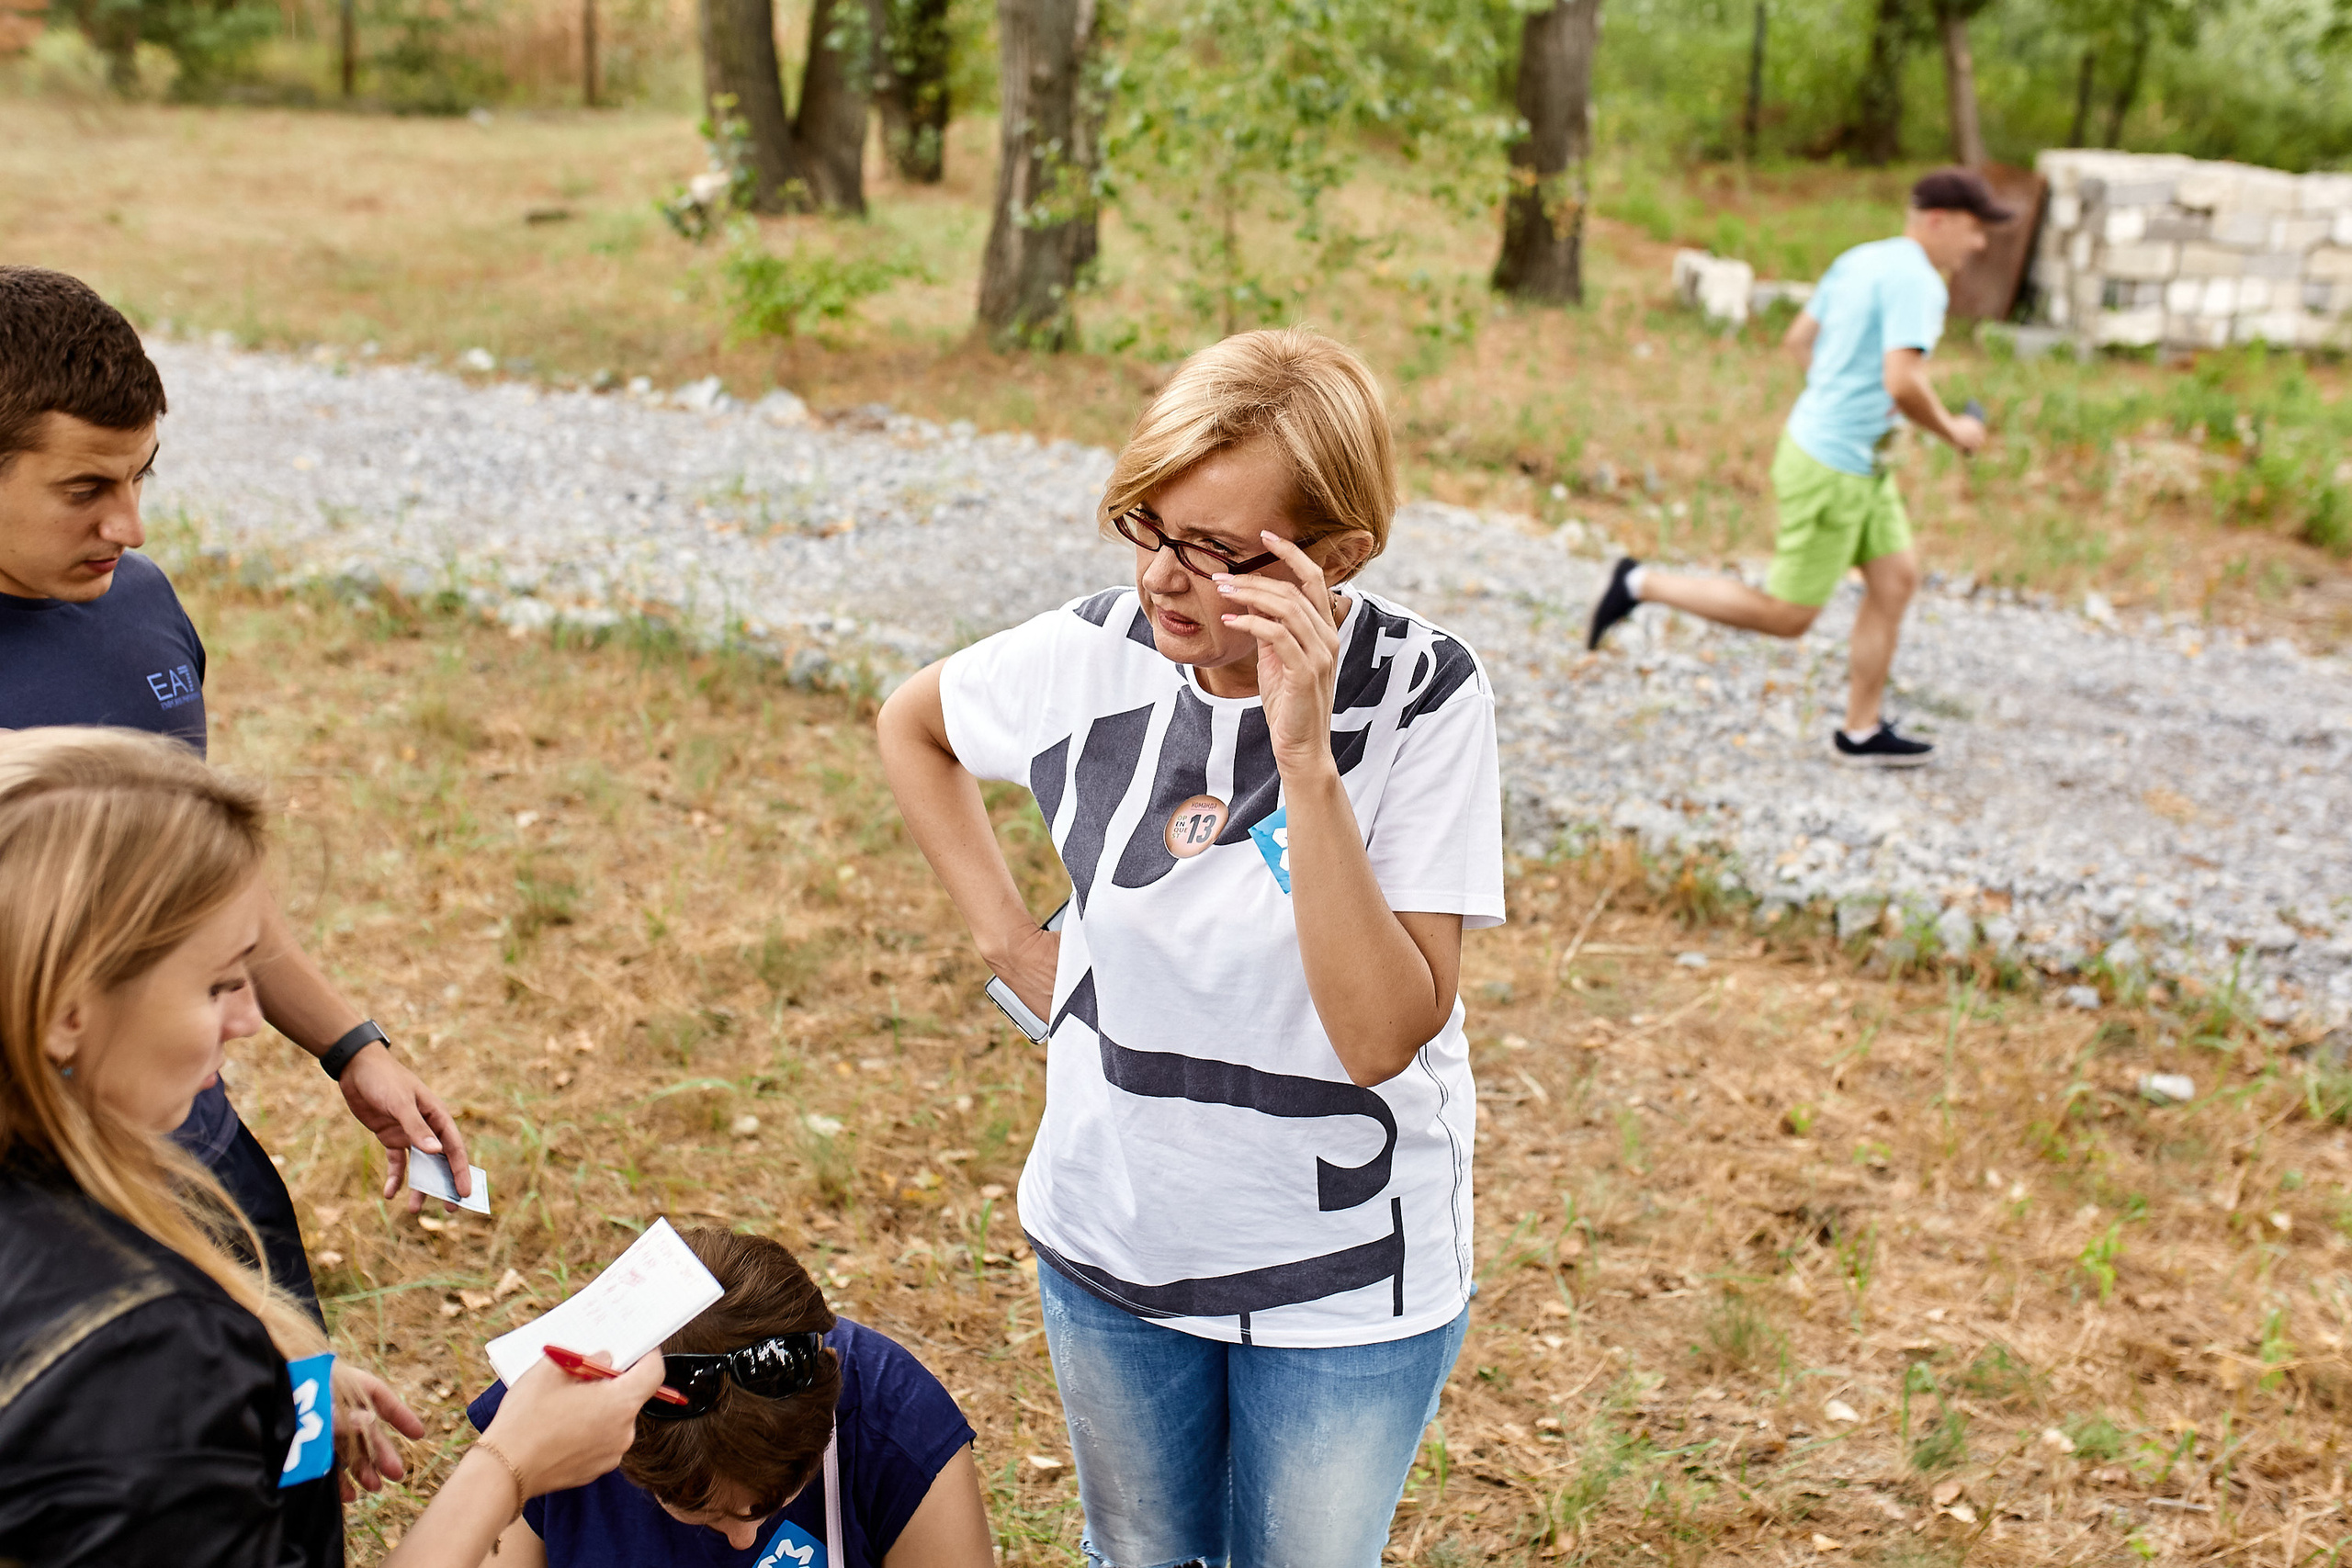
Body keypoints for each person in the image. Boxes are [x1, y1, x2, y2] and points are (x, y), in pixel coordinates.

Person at [877, 327, 1505, 1567]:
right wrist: (1009, 942)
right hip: (1116, 1240)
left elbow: (1381, 1034)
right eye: (1149, 525)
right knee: (1140, 1552)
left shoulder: (1422, 694)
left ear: (1335, 556)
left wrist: (1304, 753)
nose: (1163, 577)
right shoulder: (1089, 652)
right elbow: (913, 723)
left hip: (1341, 1278)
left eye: (1215, 549)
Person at [0, 727, 663, 1567]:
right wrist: (510, 1463)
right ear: (65, 1008)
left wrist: (266, 1393)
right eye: (217, 982)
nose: (250, 1018)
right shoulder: (144, 1360)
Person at [0, 265, 471, 1318]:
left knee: (297, 1402)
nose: (130, 527)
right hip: (42, 1207)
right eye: (85, 491)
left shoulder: (141, 607)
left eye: (141, 478)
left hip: (203, 1151)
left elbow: (201, 895)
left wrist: (352, 1047)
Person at [1586, 168, 2013, 769]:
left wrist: (1839, 399)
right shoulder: (1918, 280)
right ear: (1938, 220)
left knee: (1896, 580)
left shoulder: (1860, 259)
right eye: (1974, 229)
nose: (1979, 244)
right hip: (1833, 467)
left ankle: (1860, 731)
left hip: (1852, 458)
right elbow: (1902, 380)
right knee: (1788, 617)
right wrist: (1954, 430)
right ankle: (1640, 583)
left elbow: (1798, 340)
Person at [466, 1226, 991, 1568]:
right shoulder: (547, 1421)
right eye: (697, 1507)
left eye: (771, 1502)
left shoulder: (894, 1421)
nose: (744, 1540)